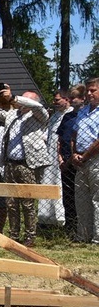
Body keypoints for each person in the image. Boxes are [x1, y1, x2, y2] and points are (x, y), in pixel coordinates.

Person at [0, 84, 49, 247]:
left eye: (26, 99)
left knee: (27, 202)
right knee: (11, 202)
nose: (21, 101)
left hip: (28, 164)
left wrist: (13, 98)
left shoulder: (39, 115)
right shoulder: (12, 114)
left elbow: (38, 107)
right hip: (10, 164)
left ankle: (30, 236)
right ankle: (14, 234)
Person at [38, 91, 72, 227]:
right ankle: (46, 217)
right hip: (50, 156)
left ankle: (60, 217)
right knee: (48, 183)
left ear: (66, 99)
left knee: (59, 184)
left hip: (61, 156)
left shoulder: (69, 115)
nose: (55, 103)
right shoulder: (55, 116)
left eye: (57, 100)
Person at [71, 77, 99, 244]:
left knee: (97, 199)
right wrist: (74, 153)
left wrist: (86, 155)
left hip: (95, 159)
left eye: (93, 90)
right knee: (81, 199)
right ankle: (83, 235)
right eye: (87, 91)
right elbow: (74, 133)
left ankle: (97, 238)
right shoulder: (82, 111)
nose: (89, 94)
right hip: (80, 160)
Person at [57, 85, 85, 236]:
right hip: (65, 161)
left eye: (74, 97)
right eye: (70, 97)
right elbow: (60, 139)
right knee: (67, 196)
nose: (71, 100)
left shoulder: (85, 116)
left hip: (79, 161)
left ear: (82, 98)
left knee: (80, 196)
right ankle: (70, 226)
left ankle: (82, 227)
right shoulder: (67, 117)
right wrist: (60, 158)